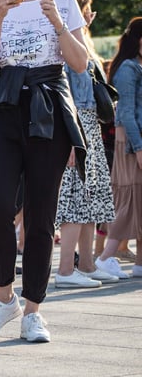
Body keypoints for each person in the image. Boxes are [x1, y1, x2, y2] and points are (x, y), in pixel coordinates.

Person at [0, 0, 88, 342]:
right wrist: (1, 13)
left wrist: (57, 21)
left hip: (49, 106)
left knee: (41, 216)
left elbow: (79, 63)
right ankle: (5, 299)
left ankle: (34, 311)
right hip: (4, 104)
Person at [53, 0, 118, 287]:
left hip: (89, 123)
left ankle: (88, 263)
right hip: (77, 123)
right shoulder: (68, 46)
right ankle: (66, 269)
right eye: (87, 11)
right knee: (76, 200)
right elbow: (65, 93)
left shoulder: (83, 44)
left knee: (92, 199)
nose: (91, 16)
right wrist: (69, 136)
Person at [95, 17, 142, 280]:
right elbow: (124, 113)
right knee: (129, 201)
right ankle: (105, 258)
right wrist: (138, 148)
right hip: (132, 142)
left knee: (138, 200)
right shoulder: (128, 69)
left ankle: (138, 265)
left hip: (135, 140)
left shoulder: (135, 67)